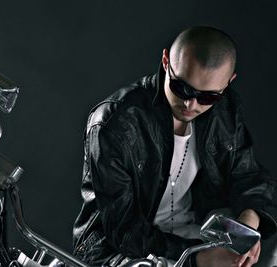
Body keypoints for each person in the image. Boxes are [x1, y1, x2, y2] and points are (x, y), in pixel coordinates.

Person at [72, 26, 277, 267]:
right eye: (182, 88)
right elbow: (124, 231)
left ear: (228, 84)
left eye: (207, 97)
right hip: (122, 251)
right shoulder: (114, 123)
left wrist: (247, 227)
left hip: (193, 232)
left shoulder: (225, 110)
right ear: (166, 61)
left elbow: (248, 175)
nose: (191, 104)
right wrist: (197, 259)